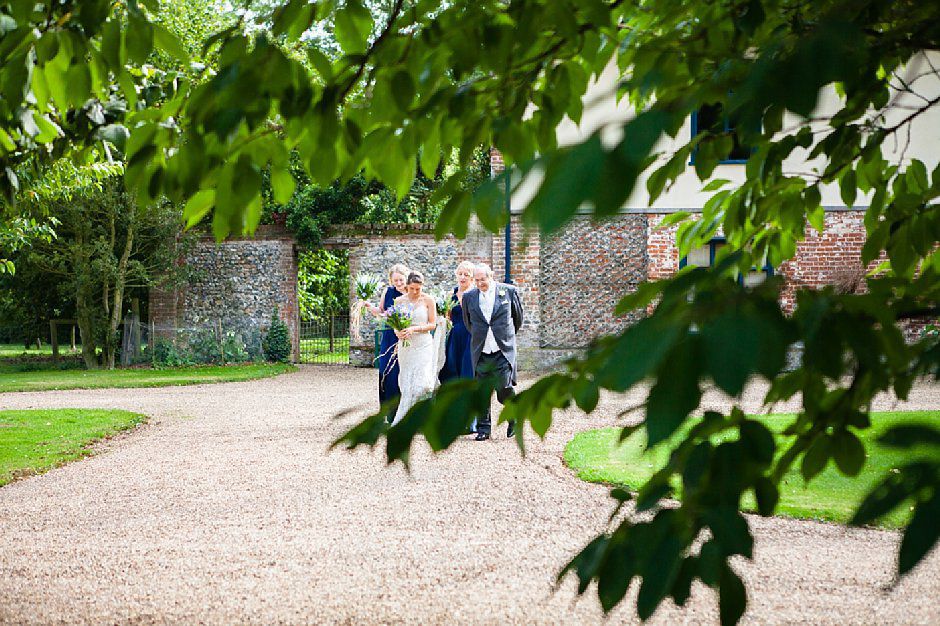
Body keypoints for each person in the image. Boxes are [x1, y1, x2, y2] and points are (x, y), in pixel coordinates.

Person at [461, 263, 524, 440]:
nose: (481, 283)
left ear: (492, 276)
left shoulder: (508, 292)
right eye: (478, 280)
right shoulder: (469, 297)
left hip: (502, 350)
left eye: (484, 279)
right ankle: (484, 429)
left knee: (504, 388)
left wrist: (505, 337)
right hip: (481, 350)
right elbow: (468, 323)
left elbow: (517, 318)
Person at [391, 271, 438, 425]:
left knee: (423, 383)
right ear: (407, 286)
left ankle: (423, 417)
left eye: (418, 289)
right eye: (412, 288)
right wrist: (398, 332)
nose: (415, 292)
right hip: (407, 346)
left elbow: (432, 324)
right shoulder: (399, 301)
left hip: (423, 344)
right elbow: (394, 323)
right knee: (406, 381)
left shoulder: (428, 300)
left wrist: (414, 329)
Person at [439, 261, 477, 430]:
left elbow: (475, 316)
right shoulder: (451, 293)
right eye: (460, 274)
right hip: (455, 337)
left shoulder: (475, 293)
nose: (462, 277)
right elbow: (448, 317)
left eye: (466, 274)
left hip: (470, 336)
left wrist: (463, 301)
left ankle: (470, 422)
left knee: (468, 375)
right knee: (451, 373)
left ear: (471, 277)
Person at [368, 264, 409, 422]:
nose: (398, 283)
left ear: (406, 278)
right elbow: (381, 312)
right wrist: (369, 307)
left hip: (405, 336)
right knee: (387, 371)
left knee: (402, 371)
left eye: (400, 279)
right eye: (395, 280)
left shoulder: (410, 292)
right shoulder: (388, 291)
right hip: (389, 335)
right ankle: (389, 411)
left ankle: (403, 412)